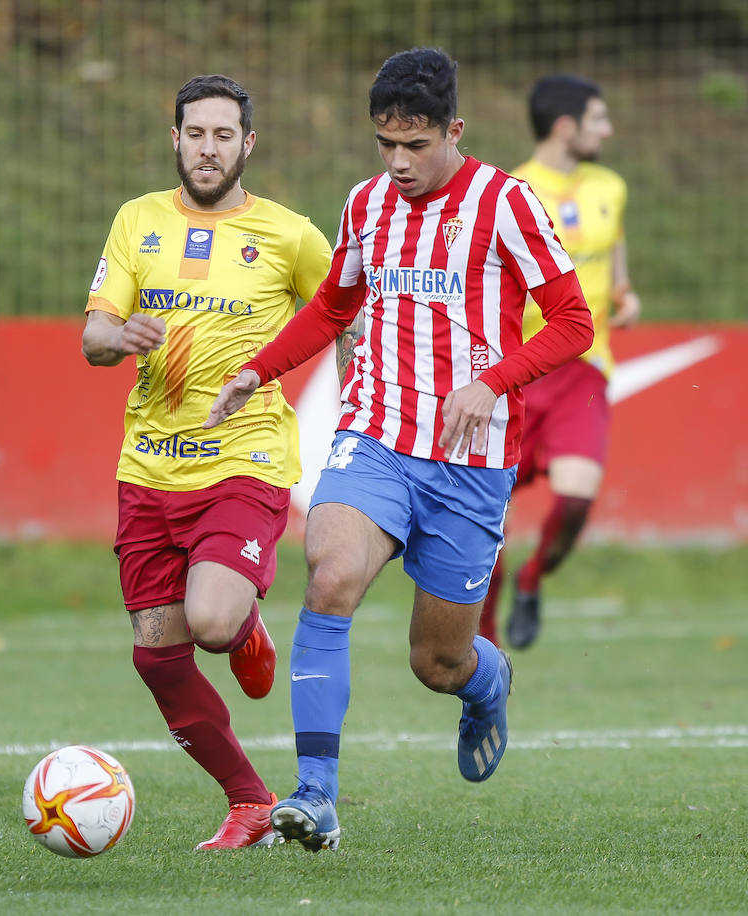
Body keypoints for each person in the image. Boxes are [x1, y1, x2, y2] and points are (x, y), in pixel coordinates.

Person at [206, 48, 594, 851]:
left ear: (454, 130)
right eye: (386, 143)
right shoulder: (365, 205)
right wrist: (258, 369)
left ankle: (488, 683)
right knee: (331, 571)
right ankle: (315, 796)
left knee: (437, 663)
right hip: (376, 434)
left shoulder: (508, 204)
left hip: (471, 460)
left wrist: (491, 382)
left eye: (416, 145)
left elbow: (573, 323)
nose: (399, 161)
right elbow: (331, 308)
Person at [82, 75, 332, 850]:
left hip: (243, 458)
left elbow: (345, 312)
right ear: (176, 139)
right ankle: (250, 802)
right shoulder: (138, 220)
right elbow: (93, 338)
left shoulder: (291, 235)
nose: (209, 148)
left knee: (213, 623)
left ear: (247, 144)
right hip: (148, 466)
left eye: (225, 135)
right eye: (196, 134)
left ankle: (243, 621)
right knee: (158, 657)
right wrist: (118, 338)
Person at [477, 74, 641, 650]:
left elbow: (616, 263)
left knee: (575, 497)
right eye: (599, 118)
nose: (609, 129)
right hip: (519, 372)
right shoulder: (510, 191)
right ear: (566, 126)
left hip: (586, 369)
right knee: (487, 529)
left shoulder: (611, 187)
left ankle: (533, 578)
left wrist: (626, 295)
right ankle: (485, 649)